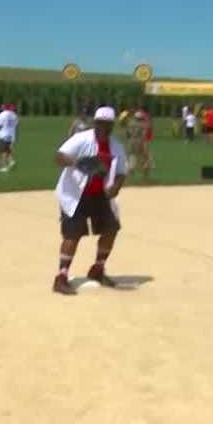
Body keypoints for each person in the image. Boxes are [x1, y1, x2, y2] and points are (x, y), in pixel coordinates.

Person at [52, 106, 128, 295]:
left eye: (108, 124)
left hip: (101, 195)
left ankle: (98, 269)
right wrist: (77, 163)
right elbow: (59, 157)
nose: (103, 127)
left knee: (111, 229)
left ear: (112, 125)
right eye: (100, 123)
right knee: (73, 234)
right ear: (95, 123)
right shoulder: (81, 139)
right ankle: (61, 276)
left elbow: (121, 172)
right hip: (75, 194)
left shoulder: (116, 146)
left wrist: (116, 188)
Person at [0, 103, 19, 172]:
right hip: (11, 135)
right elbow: (16, 126)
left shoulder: (2, 115)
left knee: (3, 152)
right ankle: (11, 161)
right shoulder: (14, 115)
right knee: (7, 150)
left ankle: (4, 166)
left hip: (2, 135)